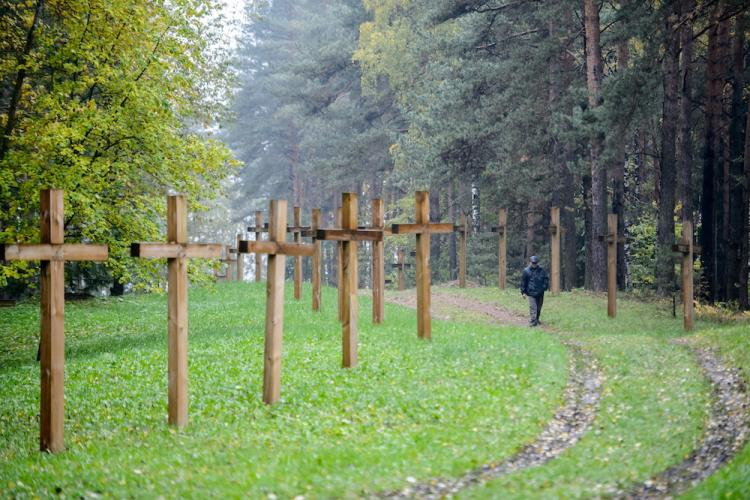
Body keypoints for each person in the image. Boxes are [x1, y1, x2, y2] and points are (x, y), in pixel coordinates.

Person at [520, 255, 549, 327]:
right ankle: (533, 321)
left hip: (540, 292)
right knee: (533, 307)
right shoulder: (526, 271)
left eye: (535, 263)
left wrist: (544, 287)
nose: (534, 264)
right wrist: (523, 292)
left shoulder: (542, 270)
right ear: (530, 262)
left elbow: (546, 279)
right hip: (531, 292)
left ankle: (537, 319)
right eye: (533, 263)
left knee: (539, 307)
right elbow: (523, 282)